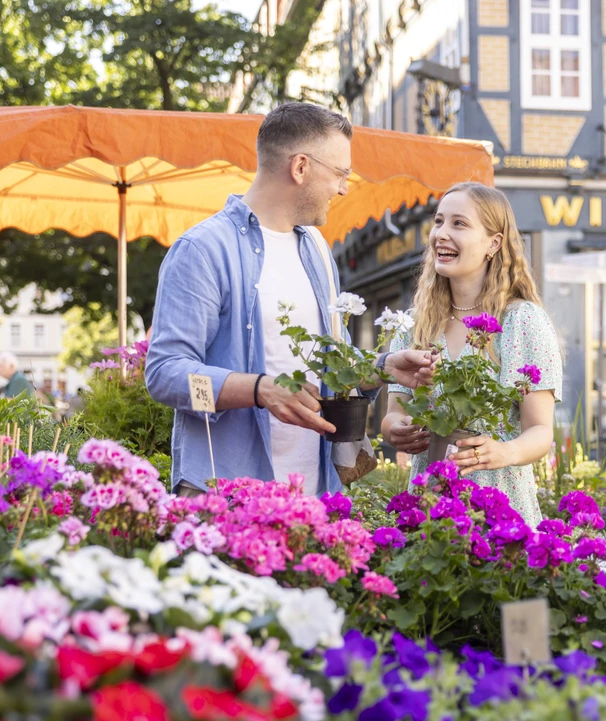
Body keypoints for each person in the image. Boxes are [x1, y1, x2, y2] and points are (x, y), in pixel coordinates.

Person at [146, 102, 436, 497]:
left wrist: (384, 367)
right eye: (340, 173)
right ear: (300, 167)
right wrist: (259, 389)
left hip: (316, 495)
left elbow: (334, 369)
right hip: (225, 493)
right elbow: (165, 376)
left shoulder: (316, 248)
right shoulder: (203, 249)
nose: (344, 188)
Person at [380, 182, 563, 525]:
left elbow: (540, 431)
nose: (441, 234)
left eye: (459, 224)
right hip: (429, 507)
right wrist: (399, 430)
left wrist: (506, 451)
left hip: (499, 510)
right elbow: (393, 416)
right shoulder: (416, 324)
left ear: (493, 243)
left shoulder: (521, 320)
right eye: (438, 222)